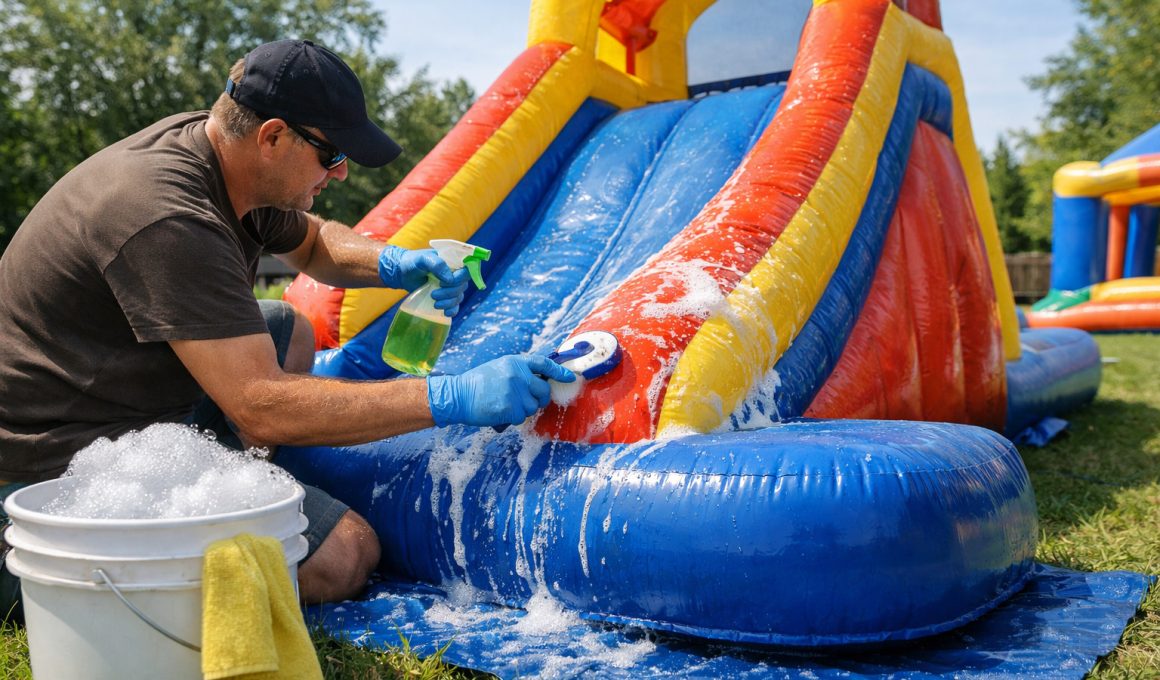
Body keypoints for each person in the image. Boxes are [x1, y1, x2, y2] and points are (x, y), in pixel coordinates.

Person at [0, 39, 574, 617]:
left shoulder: (227, 157)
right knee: (345, 554)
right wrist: (451, 396)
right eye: (331, 155)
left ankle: (237, 469)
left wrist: (396, 263)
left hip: (118, 384)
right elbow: (261, 406)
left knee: (290, 329)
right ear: (273, 136)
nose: (342, 172)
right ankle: (122, 576)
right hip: (60, 463)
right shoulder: (167, 215)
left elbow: (316, 242)